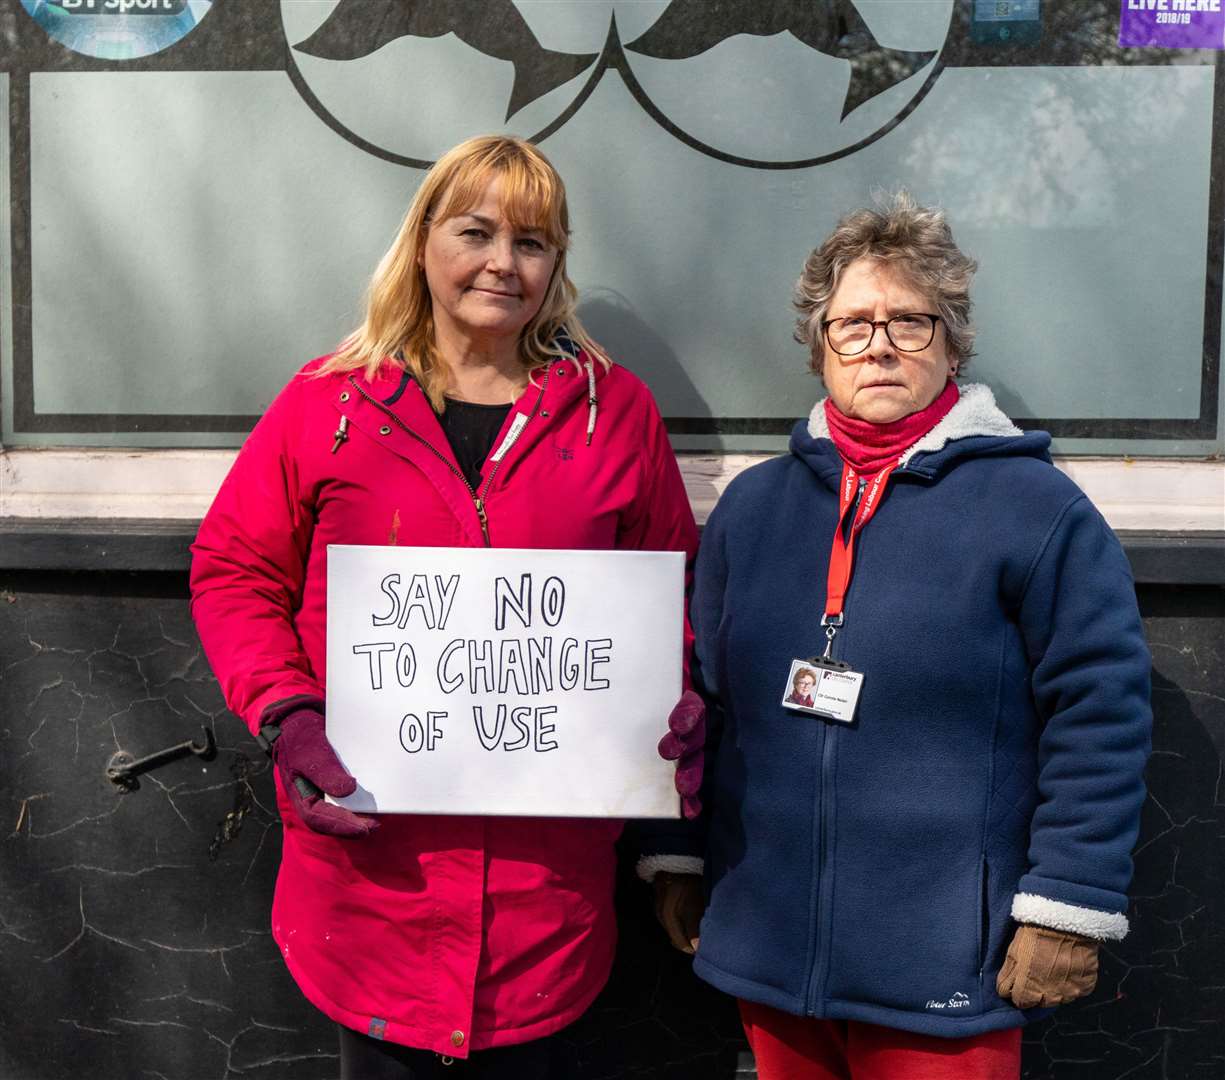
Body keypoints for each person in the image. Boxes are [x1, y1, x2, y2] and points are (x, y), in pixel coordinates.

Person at [190, 135, 698, 1079]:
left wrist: (668, 709)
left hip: (545, 904)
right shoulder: (326, 402)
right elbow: (235, 569)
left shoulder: (612, 411)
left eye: (534, 242)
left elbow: (670, 595)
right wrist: (287, 712)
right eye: (476, 232)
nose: (504, 263)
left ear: (557, 265)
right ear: (422, 242)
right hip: (371, 883)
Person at [652, 194, 1151, 1080]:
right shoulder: (754, 509)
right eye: (850, 325)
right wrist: (678, 853)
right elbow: (699, 696)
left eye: (909, 323)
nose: (878, 344)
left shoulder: (1037, 513)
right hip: (770, 946)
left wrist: (1066, 904)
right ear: (817, 348)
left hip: (948, 962)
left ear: (952, 342)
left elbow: (1099, 712)